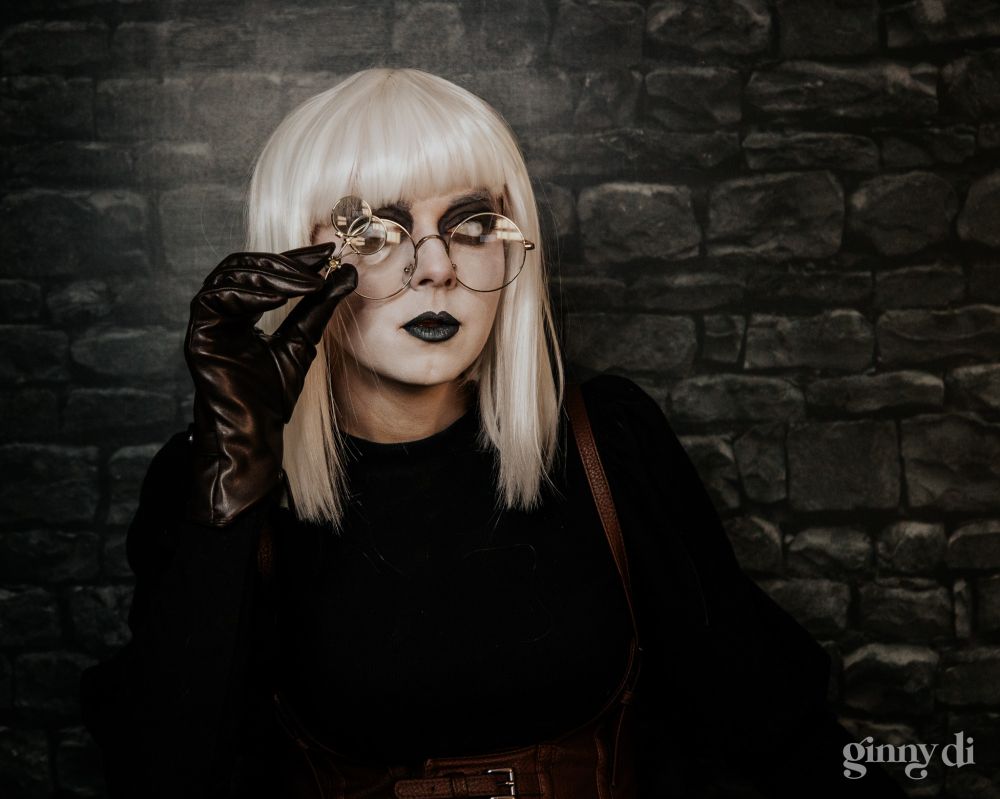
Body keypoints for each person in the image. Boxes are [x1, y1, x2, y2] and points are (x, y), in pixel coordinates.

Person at [80, 68, 907, 799]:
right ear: (293, 260)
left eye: (472, 222)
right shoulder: (213, 482)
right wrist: (233, 483)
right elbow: (162, 772)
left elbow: (778, 729)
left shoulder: (606, 444)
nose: (437, 264)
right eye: (375, 230)